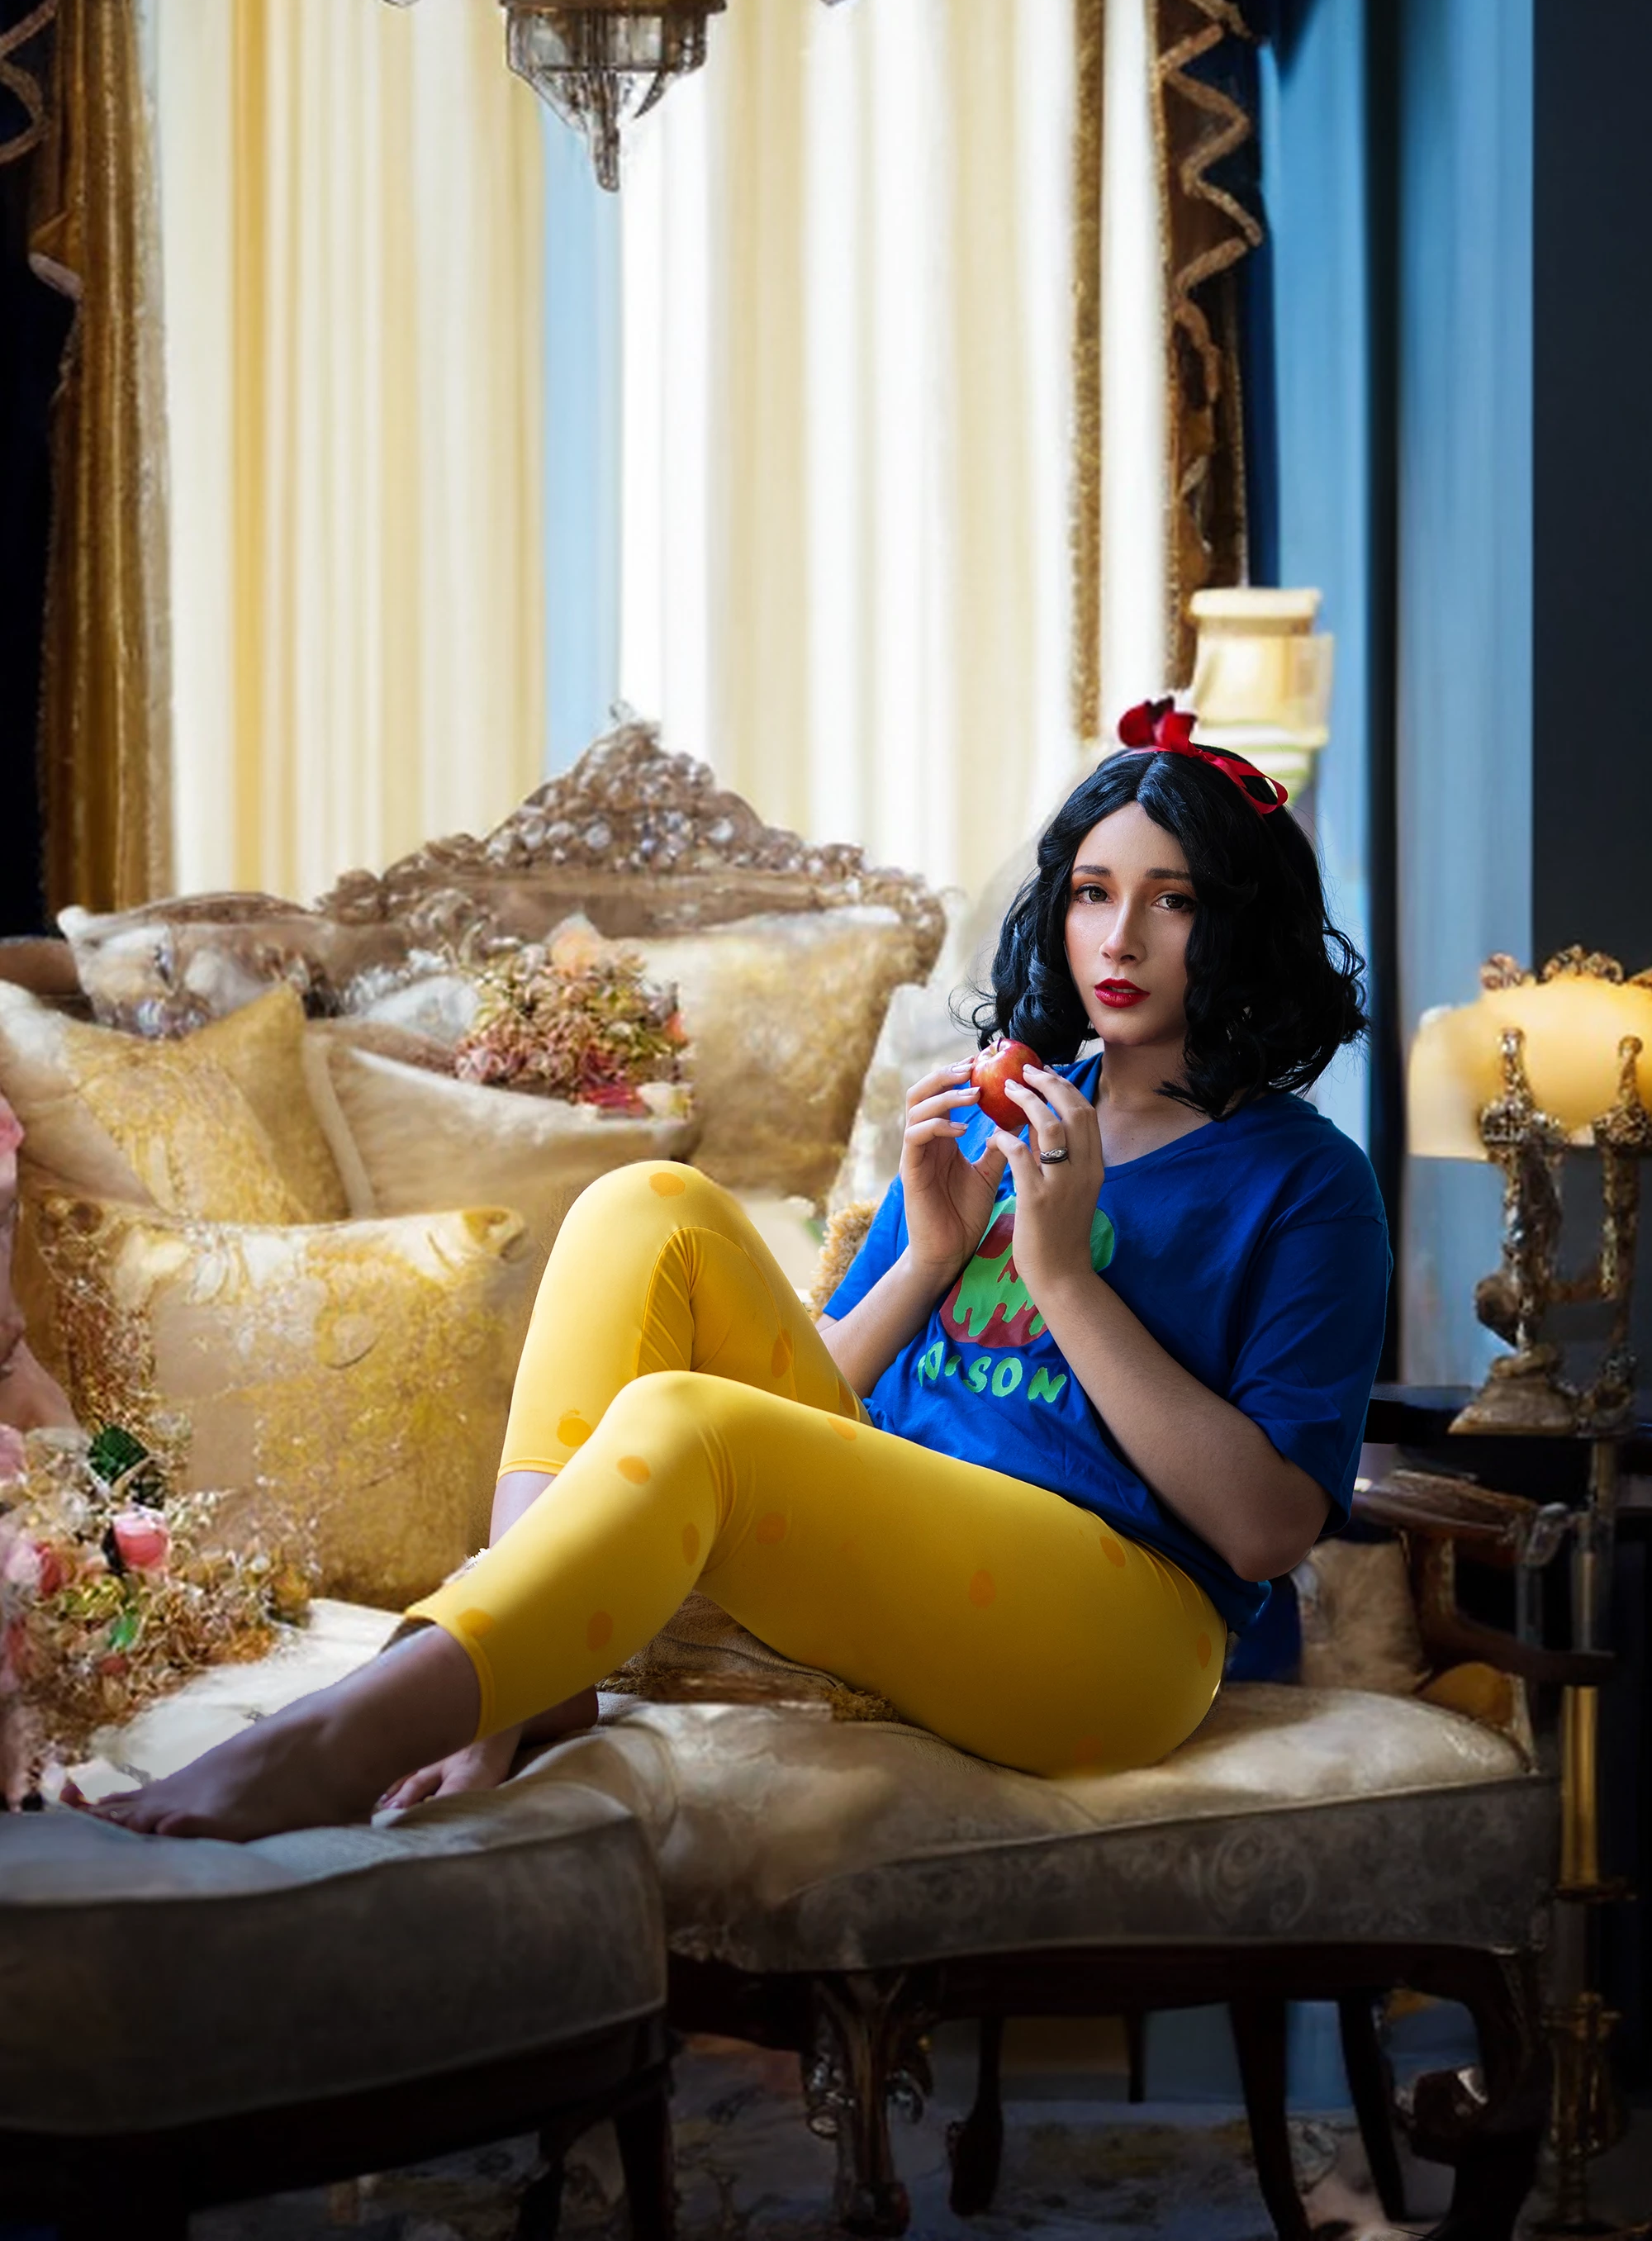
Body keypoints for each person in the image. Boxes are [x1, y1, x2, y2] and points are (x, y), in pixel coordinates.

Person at [82, 701, 1389, 1841]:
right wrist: (932, 1255)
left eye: (1174, 900)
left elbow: (1268, 1529)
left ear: (1240, 926)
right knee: (644, 1204)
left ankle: (343, 1733)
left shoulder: (1308, 1184)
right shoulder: (1007, 1122)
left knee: (685, 1419)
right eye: (1095, 892)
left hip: (1125, 1637)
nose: (1122, 938)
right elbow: (819, 1405)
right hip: (907, 1543)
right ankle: (524, 1685)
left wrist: (1065, 1278)